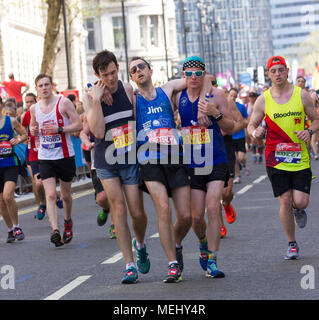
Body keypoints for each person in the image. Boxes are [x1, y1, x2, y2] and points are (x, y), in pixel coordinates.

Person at [130, 56, 211, 282]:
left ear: (150, 70)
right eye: (133, 69)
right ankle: (172, 263)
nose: (138, 71)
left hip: (174, 156)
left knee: (185, 216)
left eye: (141, 67)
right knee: (163, 209)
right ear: (131, 77)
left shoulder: (167, 90)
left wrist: (203, 105)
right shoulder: (132, 99)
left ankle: (177, 244)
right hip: (148, 159)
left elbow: (204, 78)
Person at [84, 50, 149, 284]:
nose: (110, 78)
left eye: (113, 72)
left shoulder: (127, 89)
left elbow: (137, 119)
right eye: (105, 74)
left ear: (117, 68)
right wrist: (97, 99)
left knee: (138, 213)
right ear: (97, 74)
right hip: (105, 162)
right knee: (119, 210)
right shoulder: (90, 95)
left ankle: (139, 244)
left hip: (129, 158)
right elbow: (98, 132)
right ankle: (129, 265)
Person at [247, 55, 319, 260]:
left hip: (299, 156)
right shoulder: (264, 99)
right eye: (273, 71)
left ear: (287, 71)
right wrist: (255, 133)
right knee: (285, 200)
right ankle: (292, 243)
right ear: (269, 75)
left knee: (301, 201)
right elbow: (251, 125)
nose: (277, 74)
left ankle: (298, 210)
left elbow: (316, 119)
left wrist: (309, 131)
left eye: (281, 70)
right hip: (275, 156)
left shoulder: (302, 95)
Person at [173, 57, 234, 278]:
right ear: (183, 76)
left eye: (198, 74)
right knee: (196, 217)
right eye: (189, 74)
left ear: (204, 74)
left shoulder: (216, 95)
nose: (193, 78)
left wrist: (214, 113)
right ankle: (202, 242)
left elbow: (230, 125)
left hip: (216, 158)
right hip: (192, 161)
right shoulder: (178, 97)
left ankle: (213, 261)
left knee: (212, 207)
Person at [30, 74, 82, 247]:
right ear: (36, 88)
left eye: (46, 84)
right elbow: (33, 128)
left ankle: (67, 221)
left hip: (65, 156)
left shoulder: (64, 102)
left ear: (51, 86)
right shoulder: (34, 109)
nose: (44, 88)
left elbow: (78, 125)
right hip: (45, 157)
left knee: (65, 195)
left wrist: (60, 129)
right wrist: (33, 130)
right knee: (51, 194)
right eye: (40, 85)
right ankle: (55, 230)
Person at [79, 113, 116, 239]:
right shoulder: (89, 114)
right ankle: (106, 209)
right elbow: (83, 133)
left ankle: (114, 225)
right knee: (101, 198)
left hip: (117, 160)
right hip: (98, 162)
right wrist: (87, 142)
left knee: (115, 196)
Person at [0, 95, 28, 242]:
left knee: (7, 196)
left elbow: (25, 135)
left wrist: (17, 139)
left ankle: (17, 227)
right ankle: (10, 229)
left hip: (10, 163)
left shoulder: (10, 121)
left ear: (1, 105)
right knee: (1, 202)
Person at [229, 88, 249, 184]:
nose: (232, 97)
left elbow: (246, 120)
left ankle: (244, 165)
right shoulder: (225, 106)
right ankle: (238, 176)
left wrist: (246, 131)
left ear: (237, 97)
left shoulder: (241, 107)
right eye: (231, 95)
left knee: (241, 158)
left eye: (234, 96)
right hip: (230, 137)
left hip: (240, 136)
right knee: (235, 158)